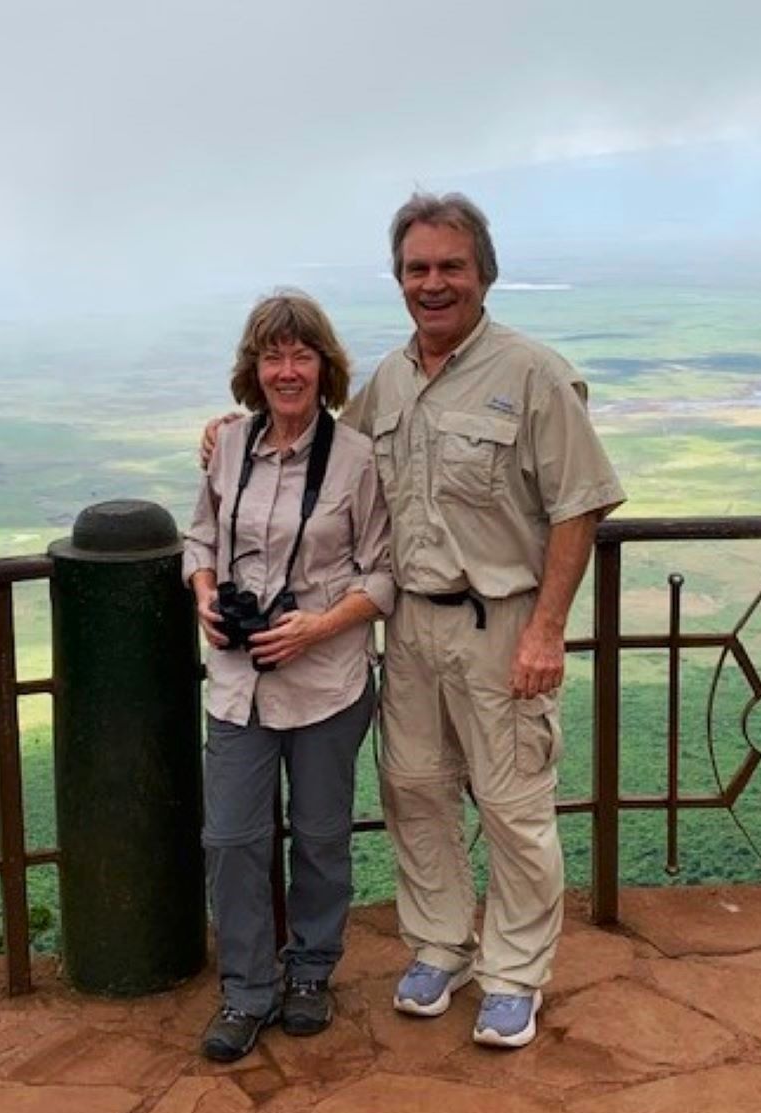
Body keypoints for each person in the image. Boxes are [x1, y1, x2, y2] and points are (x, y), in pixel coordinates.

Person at [203, 194, 625, 1049]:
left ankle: (513, 972)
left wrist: (547, 630)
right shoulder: (389, 385)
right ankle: (441, 944)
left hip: (502, 621)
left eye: (450, 268)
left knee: (512, 804)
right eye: (417, 269)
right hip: (409, 630)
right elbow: (317, 448)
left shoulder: (535, 375)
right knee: (415, 793)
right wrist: (228, 427)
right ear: (399, 280)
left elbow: (580, 508)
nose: (433, 284)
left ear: (483, 275)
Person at [183, 291, 393, 1063]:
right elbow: (199, 539)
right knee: (232, 837)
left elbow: (384, 572)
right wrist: (205, 597)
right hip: (239, 683)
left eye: (301, 355)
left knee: (320, 836)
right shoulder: (228, 447)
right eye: (272, 355)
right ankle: (245, 990)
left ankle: (310, 971)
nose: (286, 369)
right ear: (253, 369)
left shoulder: (357, 459)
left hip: (327, 681)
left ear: (324, 366)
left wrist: (321, 625)